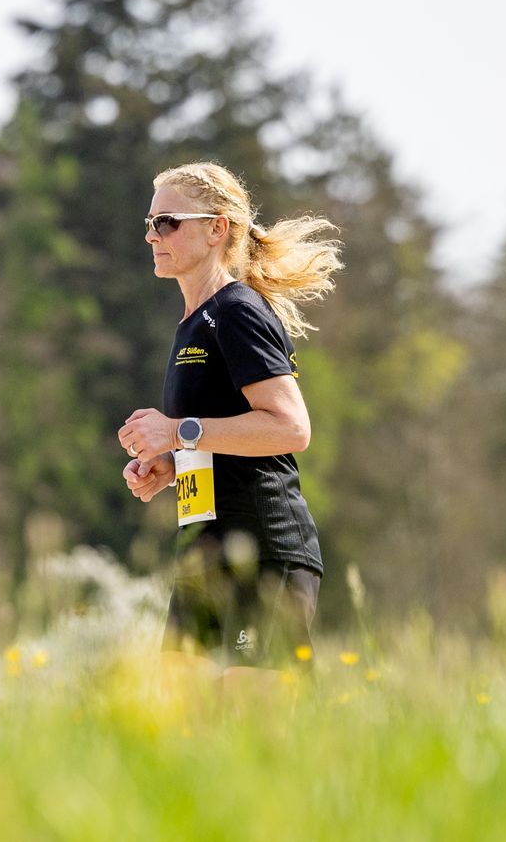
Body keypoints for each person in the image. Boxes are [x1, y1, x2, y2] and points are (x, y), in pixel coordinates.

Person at [115, 162, 342, 683]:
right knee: (179, 734)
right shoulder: (191, 324)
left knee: (252, 742)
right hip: (203, 556)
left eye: (167, 222)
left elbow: (290, 429)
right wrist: (171, 466)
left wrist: (175, 431)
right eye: (149, 223)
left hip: (261, 552)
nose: (152, 235)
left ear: (217, 228)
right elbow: (223, 430)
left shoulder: (236, 312)